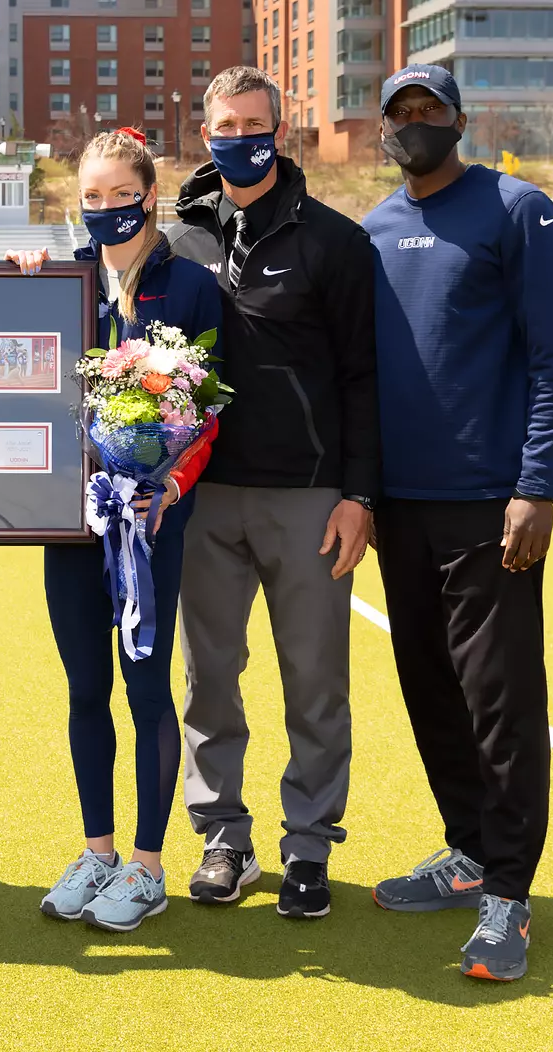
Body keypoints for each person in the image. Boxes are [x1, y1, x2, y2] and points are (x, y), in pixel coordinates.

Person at [362, 64, 553, 982]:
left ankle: (510, 896)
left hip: (491, 506)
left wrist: (536, 486)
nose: (415, 125)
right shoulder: (372, 229)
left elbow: (551, 356)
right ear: (383, 128)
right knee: (430, 691)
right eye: (400, 113)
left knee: (500, 702)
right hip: (399, 508)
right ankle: (468, 852)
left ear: (458, 121)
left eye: (430, 112)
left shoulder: (517, 209)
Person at [161, 65, 378, 919]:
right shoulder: (179, 238)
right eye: (224, 123)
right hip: (203, 494)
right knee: (208, 676)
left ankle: (309, 846)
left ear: (278, 133)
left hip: (310, 498)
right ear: (204, 133)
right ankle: (224, 838)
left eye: (255, 122)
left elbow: (364, 377)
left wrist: (359, 494)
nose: (239, 136)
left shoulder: (335, 241)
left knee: (314, 679)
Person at [4, 127, 225, 932]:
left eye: (117, 194)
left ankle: (148, 864)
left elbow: (206, 417)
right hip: (67, 520)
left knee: (144, 686)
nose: (103, 209)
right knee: (83, 687)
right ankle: (98, 852)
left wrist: (167, 484)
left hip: (149, 524)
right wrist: (20, 281)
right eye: (88, 198)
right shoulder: (61, 280)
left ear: (149, 196)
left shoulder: (193, 287)